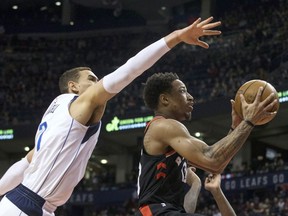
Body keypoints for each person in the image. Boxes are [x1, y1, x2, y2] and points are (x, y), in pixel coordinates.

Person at [0, 17, 222, 216]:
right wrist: (176, 37)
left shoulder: (55, 110)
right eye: (91, 79)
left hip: (31, 204)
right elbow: (128, 70)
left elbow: (25, 163)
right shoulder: (80, 104)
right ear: (73, 86)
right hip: (27, 206)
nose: (97, 83)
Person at [136, 72, 278, 215]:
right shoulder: (163, 126)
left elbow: (217, 162)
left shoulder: (172, 137)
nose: (191, 97)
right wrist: (249, 122)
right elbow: (213, 160)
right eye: (183, 91)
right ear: (165, 99)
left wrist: (235, 128)